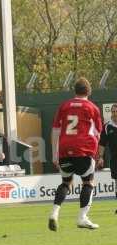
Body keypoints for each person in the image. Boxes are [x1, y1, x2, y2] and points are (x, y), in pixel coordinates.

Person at [49, 77, 102, 231]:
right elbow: (98, 133)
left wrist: (54, 154)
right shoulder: (92, 108)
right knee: (88, 182)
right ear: (89, 91)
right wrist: (97, 154)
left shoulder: (64, 106)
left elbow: (55, 130)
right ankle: (82, 218)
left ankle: (54, 213)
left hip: (65, 150)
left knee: (66, 182)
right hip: (83, 150)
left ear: (75, 91)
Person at [97, 103, 117, 213]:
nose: (114, 114)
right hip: (115, 160)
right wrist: (100, 157)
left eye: (116, 111)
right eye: (113, 112)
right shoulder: (107, 127)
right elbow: (102, 144)